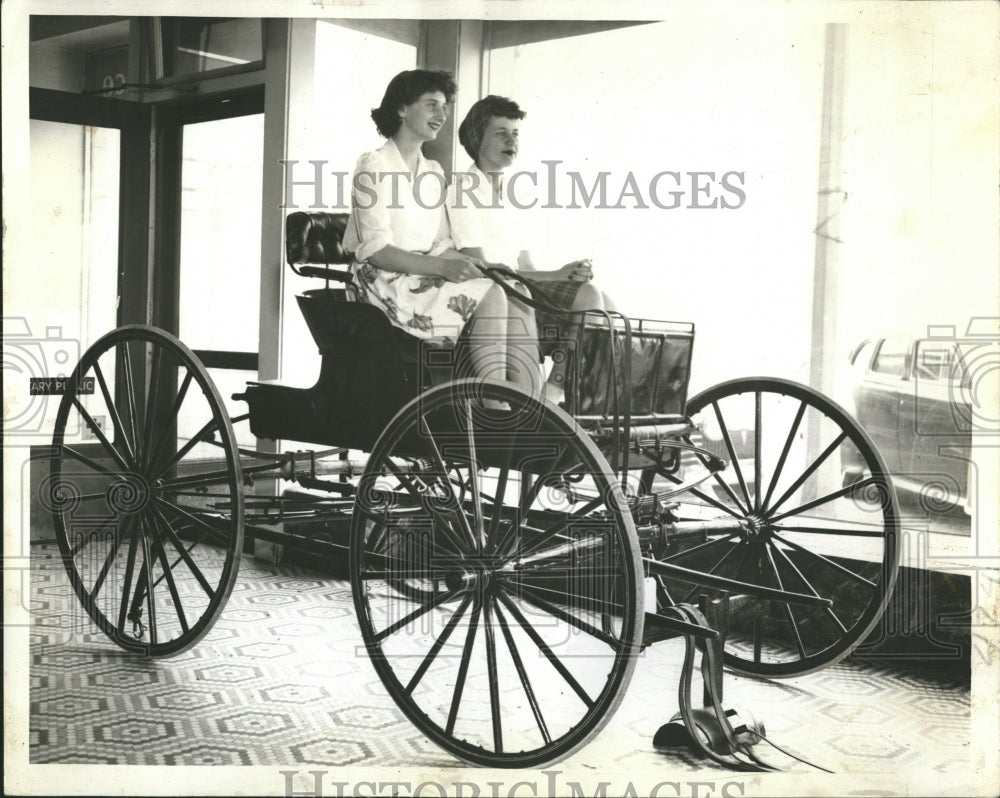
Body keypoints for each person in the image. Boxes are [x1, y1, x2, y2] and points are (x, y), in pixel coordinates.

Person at [342, 71, 539, 398]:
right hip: (384, 280)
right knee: (491, 295)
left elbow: (442, 247)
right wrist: (443, 268)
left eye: (445, 106)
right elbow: (376, 250)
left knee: (512, 289)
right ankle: (498, 408)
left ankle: (530, 407)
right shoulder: (373, 165)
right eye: (431, 105)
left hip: (422, 276)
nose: (442, 114)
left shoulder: (433, 173)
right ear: (402, 109)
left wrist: (490, 269)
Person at [446, 95, 617, 402]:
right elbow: (480, 264)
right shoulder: (462, 191)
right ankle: (551, 397)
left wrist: (567, 275)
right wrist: (558, 274)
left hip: (521, 287)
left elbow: (525, 261)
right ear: (476, 138)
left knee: (608, 306)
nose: (511, 141)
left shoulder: (514, 194)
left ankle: (571, 397)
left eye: (515, 133)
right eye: (501, 133)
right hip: (494, 292)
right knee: (590, 296)